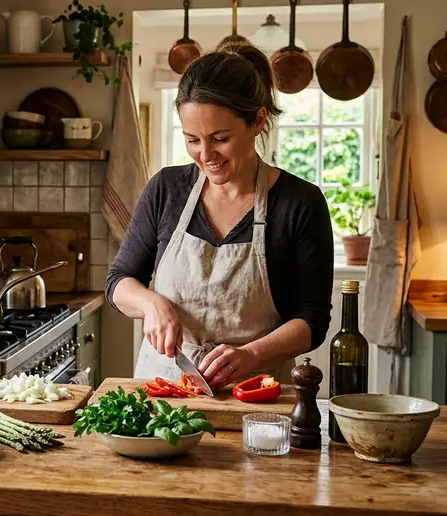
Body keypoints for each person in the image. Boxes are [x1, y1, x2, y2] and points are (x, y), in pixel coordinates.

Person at [106, 42, 334, 390]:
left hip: (255, 394)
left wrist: (253, 355)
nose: (205, 154)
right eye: (192, 139)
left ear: (258, 120)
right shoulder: (166, 189)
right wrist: (150, 304)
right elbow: (119, 282)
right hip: (164, 391)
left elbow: (312, 320)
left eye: (220, 138)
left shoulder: (300, 203)